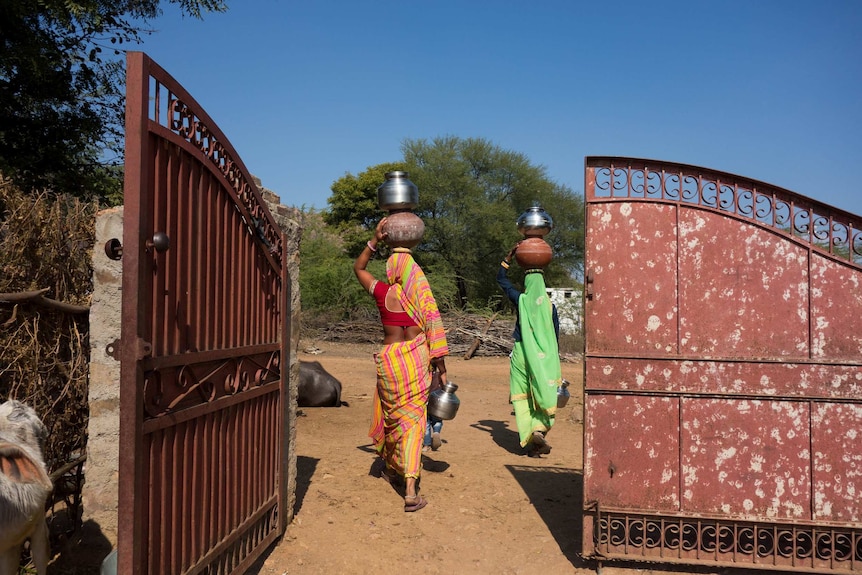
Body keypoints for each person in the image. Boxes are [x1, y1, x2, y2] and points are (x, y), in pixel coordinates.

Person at [353, 217, 449, 512]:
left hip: (390, 363)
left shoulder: (382, 293)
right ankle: (410, 488)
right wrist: (441, 366)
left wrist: (374, 241)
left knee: (393, 418)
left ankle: (393, 467)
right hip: (416, 360)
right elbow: (433, 322)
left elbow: (358, 268)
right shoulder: (421, 298)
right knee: (414, 421)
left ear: (391, 271)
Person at [497, 241, 562, 457]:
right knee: (543, 391)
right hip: (544, 357)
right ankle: (539, 429)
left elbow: (501, 280)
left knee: (523, 395)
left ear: (527, 284)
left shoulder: (521, 300)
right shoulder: (551, 307)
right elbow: (555, 337)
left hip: (522, 353)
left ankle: (532, 439)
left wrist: (508, 259)